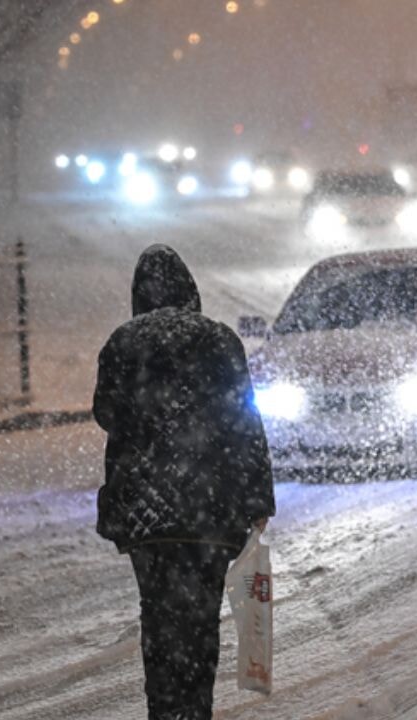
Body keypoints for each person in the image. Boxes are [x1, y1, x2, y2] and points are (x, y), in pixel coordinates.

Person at [93, 244, 275, 720]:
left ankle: (164, 709)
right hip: (209, 512)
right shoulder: (219, 340)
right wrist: (258, 500)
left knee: (158, 618)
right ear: (190, 291)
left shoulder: (122, 342)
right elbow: (245, 423)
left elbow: (106, 414)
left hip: (146, 516)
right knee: (199, 622)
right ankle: (195, 710)